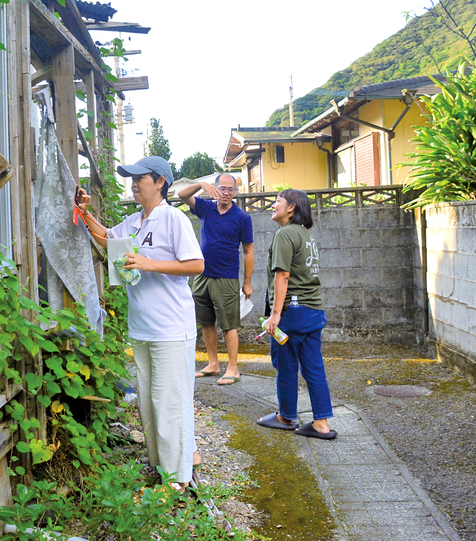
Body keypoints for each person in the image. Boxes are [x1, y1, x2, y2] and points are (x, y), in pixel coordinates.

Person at [75, 156, 204, 492]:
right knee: (149, 400)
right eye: (131, 179)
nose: (133, 184)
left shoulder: (174, 219)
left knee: (169, 400)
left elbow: (196, 265)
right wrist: (85, 213)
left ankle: (177, 479)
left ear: (160, 181)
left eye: (140, 178)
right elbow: (107, 239)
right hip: (143, 327)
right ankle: (167, 464)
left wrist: (149, 263)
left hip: (171, 327)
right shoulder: (134, 222)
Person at [255, 189, 336, 440]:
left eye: (277, 202)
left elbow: (283, 275)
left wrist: (275, 315)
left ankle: (286, 416)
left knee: (286, 365)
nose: (272, 206)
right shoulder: (305, 235)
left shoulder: (285, 234)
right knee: (313, 366)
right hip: (314, 310)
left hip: (293, 312)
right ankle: (321, 422)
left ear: (291, 208)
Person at [178, 174, 254, 386]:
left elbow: (248, 251)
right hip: (202, 274)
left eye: (230, 189)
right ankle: (213, 364)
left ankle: (233, 368)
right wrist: (201, 184)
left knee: (229, 325)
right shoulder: (206, 207)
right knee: (206, 322)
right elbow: (182, 194)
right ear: (216, 189)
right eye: (222, 188)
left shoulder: (242, 217)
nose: (226, 193)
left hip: (226, 277)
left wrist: (247, 282)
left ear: (235, 192)